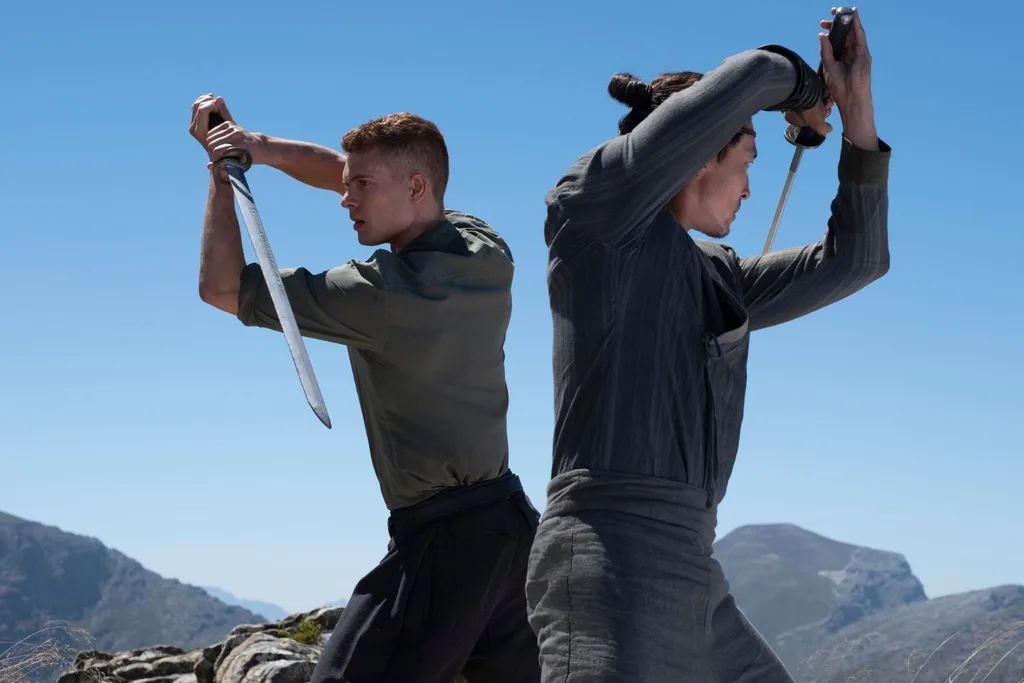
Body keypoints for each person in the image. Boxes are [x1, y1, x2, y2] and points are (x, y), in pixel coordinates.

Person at [525, 8, 890, 682]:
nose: (752, 187)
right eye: (746, 159)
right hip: (611, 559)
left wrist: (858, 110)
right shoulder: (594, 212)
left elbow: (856, 261)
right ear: (701, 151)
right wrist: (808, 93)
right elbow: (753, 73)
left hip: (696, 569)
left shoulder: (718, 275)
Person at [188, 98, 541, 683]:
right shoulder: (485, 250)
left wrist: (222, 176)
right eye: (349, 185)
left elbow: (222, 288)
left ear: (417, 185)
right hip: (510, 528)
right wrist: (255, 144)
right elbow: (341, 174)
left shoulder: (378, 296)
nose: (346, 198)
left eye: (362, 187)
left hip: (442, 543)